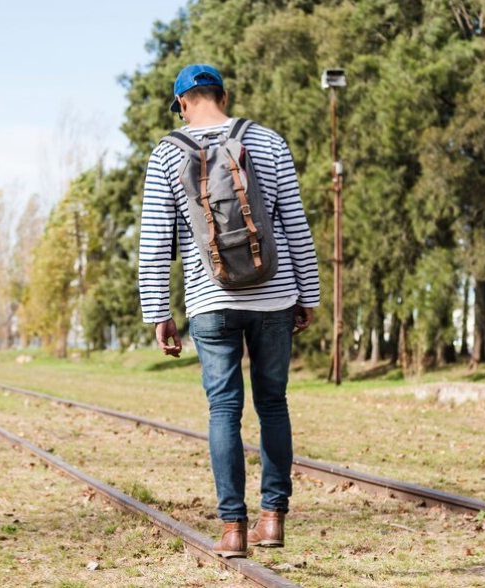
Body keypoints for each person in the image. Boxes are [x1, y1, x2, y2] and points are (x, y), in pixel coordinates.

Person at [138, 64, 320, 558]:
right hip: (274, 294)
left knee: (224, 409)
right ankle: (273, 518)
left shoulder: (166, 153)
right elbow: (294, 222)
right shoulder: (268, 141)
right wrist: (309, 293)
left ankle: (233, 529)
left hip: (210, 299)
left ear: (181, 103)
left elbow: (155, 241)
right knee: (273, 404)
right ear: (222, 94)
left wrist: (159, 311)